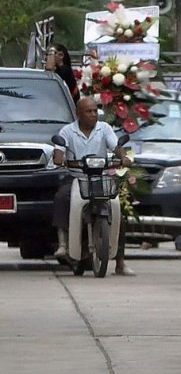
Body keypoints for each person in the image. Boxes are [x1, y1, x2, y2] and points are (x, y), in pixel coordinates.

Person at [52, 98, 134, 275]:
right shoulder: (67, 131)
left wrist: (123, 157)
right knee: (62, 197)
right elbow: (59, 151)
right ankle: (63, 243)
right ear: (78, 114)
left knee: (117, 208)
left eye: (95, 111)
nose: (93, 114)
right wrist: (60, 158)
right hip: (77, 177)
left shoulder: (104, 128)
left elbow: (116, 146)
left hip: (101, 177)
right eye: (88, 111)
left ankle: (120, 261)